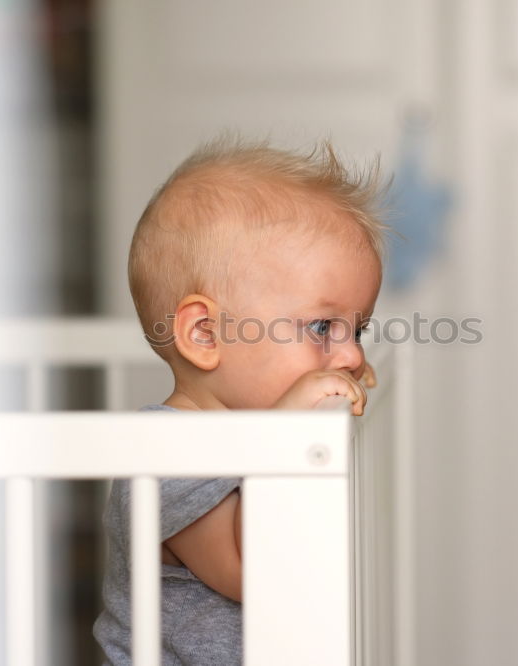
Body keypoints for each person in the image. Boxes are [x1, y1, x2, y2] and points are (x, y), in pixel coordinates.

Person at [93, 136, 391, 665]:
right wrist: (287, 433)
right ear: (206, 335)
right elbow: (253, 571)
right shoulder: (165, 453)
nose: (348, 354)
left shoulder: (237, 433)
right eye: (323, 327)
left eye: (357, 329)